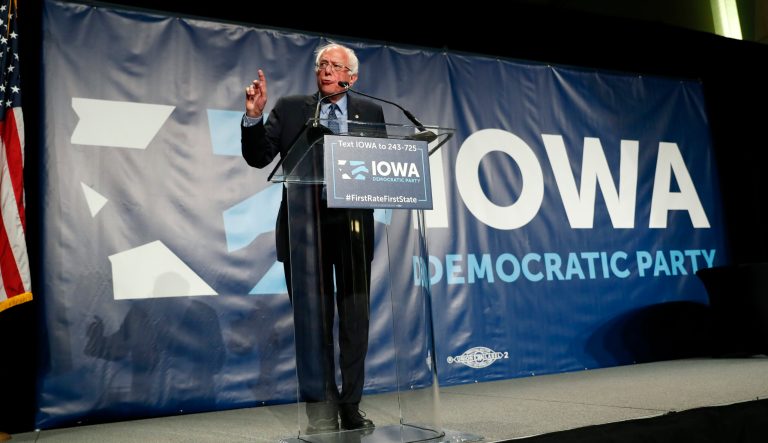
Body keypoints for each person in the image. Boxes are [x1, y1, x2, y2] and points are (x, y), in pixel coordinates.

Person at [241, 42, 384, 433]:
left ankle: (351, 405)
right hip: (305, 230)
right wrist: (253, 119)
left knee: (355, 322)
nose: (325, 70)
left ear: (351, 77)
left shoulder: (370, 111)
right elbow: (259, 157)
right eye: (321, 64)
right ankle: (322, 408)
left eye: (334, 65)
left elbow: (379, 169)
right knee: (314, 323)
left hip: (353, 229)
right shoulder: (291, 108)